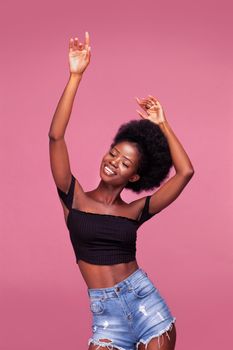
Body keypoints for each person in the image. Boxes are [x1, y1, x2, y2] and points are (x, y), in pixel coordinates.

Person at [48, 32, 194, 350]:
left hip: (146, 306)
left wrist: (162, 123)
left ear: (135, 176)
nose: (114, 162)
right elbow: (56, 137)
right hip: (106, 318)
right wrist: (75, 76)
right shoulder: (73, 196)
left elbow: (185, 173)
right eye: (114, 153)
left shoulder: (135, 211)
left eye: (125, 163)